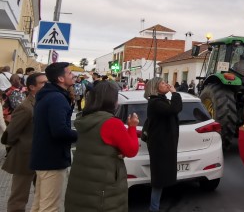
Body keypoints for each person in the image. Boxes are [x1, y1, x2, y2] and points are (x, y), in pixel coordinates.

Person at [65, 81, 139, 212]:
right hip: (103, 191)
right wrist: (132, 127)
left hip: (83, 184)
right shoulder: (111, 123)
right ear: (112, 100)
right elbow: (131, 150)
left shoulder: (84, 119)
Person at [30, 62, 78, 212]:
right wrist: (80, 135)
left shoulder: (48, 96)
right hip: (53, 160)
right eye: (70, 73)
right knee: (51, 207)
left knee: (39, 204)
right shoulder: (57, 98)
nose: (73, 75)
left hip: (44, 157)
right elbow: (59, 131)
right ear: (61, 79)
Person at [2, 72, 48, 212]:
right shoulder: (25, 107)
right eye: (43, 83)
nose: (47, 85)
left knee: (42, 195)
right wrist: (17, 147)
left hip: (40, 157)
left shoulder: (42, 102)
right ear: (32, 87)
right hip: (24, 157)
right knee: (19, 197)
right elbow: (10, 134)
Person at [144, 77, 182, 212]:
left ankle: (154, 206)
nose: (166, 84)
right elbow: (174, 109)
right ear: (155, 87)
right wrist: (175, 93)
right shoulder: (155, 103)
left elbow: (173, 110)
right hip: (159, 145)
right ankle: (153, 208)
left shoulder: (161, 100)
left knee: (161, 178)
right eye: (163, 83)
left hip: (165, 143)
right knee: (159, 179)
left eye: (166, 82)